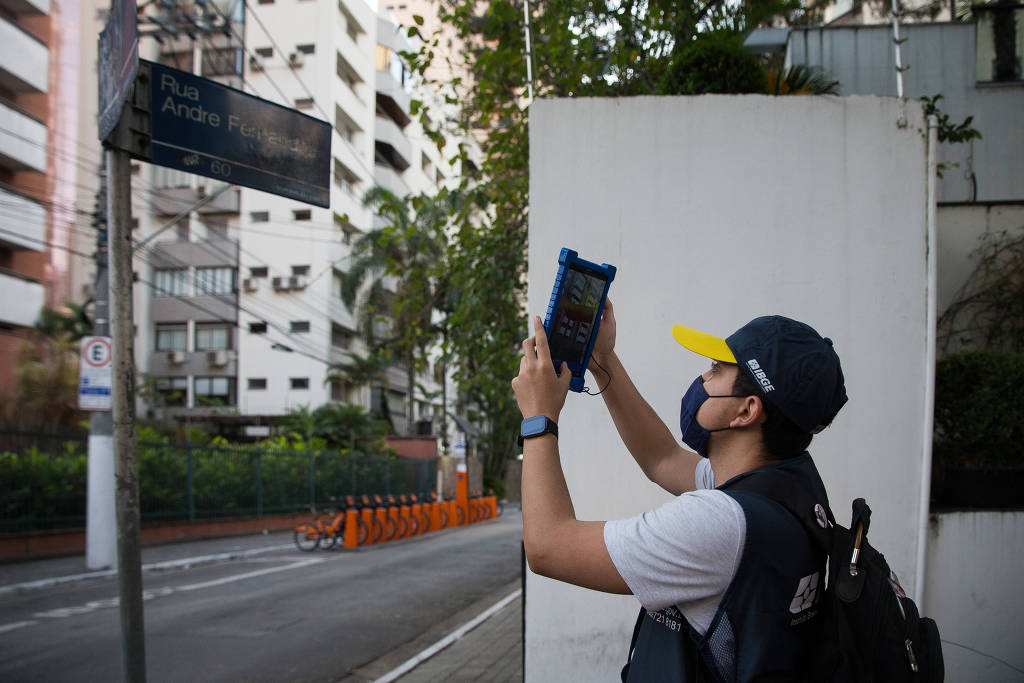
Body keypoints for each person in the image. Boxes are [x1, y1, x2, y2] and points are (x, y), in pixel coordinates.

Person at [511, 301, 848, 682]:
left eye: (717, 369)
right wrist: (602, 359)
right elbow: (662, 458)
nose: (703, 376)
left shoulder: (718, 525)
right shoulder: (785, 485)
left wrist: (539, 418)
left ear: (745, 412)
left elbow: (548, 548)